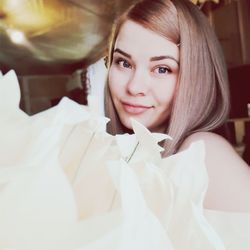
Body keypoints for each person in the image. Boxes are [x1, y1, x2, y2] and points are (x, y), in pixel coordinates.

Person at [101, 0, 250, 212]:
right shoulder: (133, 156)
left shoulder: (202, 153)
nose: (134, 86)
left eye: (162, 69)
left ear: (196, 76)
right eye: (124, 63)